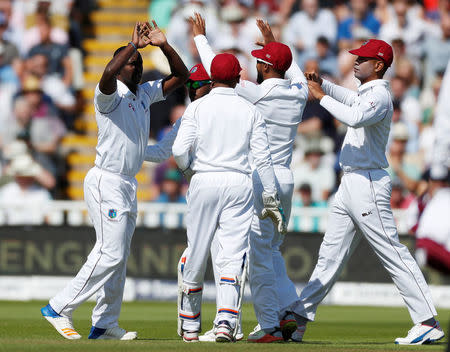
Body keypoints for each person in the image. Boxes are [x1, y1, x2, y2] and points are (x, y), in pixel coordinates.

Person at [290, 39, 444, 345]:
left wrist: (320, 96)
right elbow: (349, 99)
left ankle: (427, 320)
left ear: (379, 65)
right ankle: (299, 319)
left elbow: (354, 116)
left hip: (368, 183)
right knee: (329, 256)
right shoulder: (367, 93)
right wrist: (324, 85)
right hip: (350, 182)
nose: (356, 61)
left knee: (391, 251)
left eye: (363, 58)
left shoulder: (381, 96)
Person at [40, 21, 189, 340]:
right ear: (119, 64)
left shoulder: (145, 94)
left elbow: (182, 76)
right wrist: (132, 46)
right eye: (131, 63)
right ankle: (59, 307)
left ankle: (104, 323)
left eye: (138, 64)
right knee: (111, 252)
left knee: (118, 256)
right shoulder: (109, 94)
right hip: (105, 180)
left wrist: (163, 44)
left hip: (127, 184)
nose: (136, 67)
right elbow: (107, 75)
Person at [192, 14, 308, 343]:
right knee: (270, 251)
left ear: (267, 68)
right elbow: (294, 71)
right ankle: (292, 314)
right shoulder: (298, 93)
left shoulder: (258, 95)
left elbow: (221, 71)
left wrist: (201, 38)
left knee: (257, 255)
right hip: (286, 178)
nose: (255, 66)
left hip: (261, 179)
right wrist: (274, 43)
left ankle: (270, 325)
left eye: (260, 61)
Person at [172, 52, 286, 343]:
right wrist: (271, 198)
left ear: (212, 79)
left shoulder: (197, 107)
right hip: (239, 182)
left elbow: (178, 151)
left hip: (204, 179)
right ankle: (226, 322)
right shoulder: (250, 110)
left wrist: (189, 171)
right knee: (232, 255)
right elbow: (263, 159)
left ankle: (190, 326)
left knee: (196, 251)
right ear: (237, 78)